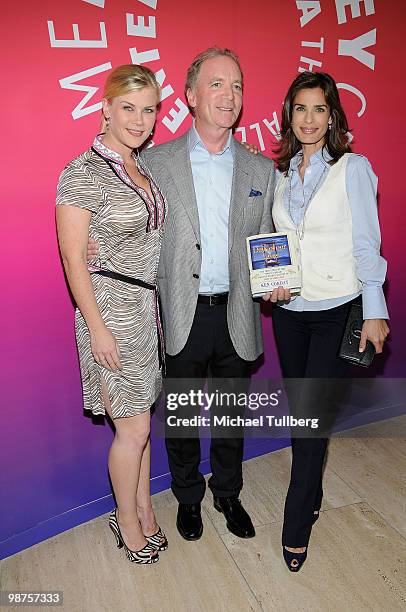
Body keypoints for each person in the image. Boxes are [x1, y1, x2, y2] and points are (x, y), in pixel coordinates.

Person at [140, 47, 290, 541]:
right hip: (182, 311)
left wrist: (277, 282)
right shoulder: (155, 163)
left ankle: (228, 493)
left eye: (238, 86)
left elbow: (267, 238)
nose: (230, 96)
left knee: (230, 415)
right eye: (218, 84)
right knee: (180, 416)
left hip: (238, 314)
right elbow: (136, 230)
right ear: (189, 96)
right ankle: (187, 498)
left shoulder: (259, 170)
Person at [271, 70, 389, 571]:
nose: (309, 119)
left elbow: (367, 243)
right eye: (301, 108)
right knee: (306, 416)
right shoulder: (278, 173)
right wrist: (272, 282)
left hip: (337, 310)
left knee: (307, 423)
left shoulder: (352, 168)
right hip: (289, 314)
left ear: (333, 115)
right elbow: (277, 245)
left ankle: (296, 526)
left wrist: (375, 309)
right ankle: (313, 495)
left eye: (319, 109)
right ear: (289, 114)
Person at [56, 65, 168, 565]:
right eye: (128, 107)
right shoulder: (81, 171)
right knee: (134, 430)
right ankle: (126, 521)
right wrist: (96, 327)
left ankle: (143, 506)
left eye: (148, 110)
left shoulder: (141, 169)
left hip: (145, 310)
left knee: (141, 423)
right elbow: (72, 257)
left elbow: (142, 238)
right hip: (110, 315)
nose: (139, 120)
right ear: (105, 107)